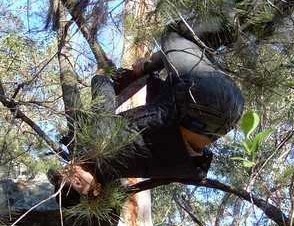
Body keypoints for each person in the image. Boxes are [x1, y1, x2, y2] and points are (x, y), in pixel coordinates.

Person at [50, 15, 244, 198]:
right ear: (96, 190)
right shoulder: (96, 146)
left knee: (191, 48)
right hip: (202, 98)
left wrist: (149, 76)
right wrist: (100, 76)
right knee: (174, 32)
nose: (71, 173)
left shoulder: (134, 166)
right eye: (74, 184)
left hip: (228, 114)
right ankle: (238, 19)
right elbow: (103, 97)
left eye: (66, 172)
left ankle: (247, 19)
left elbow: (158, 123)